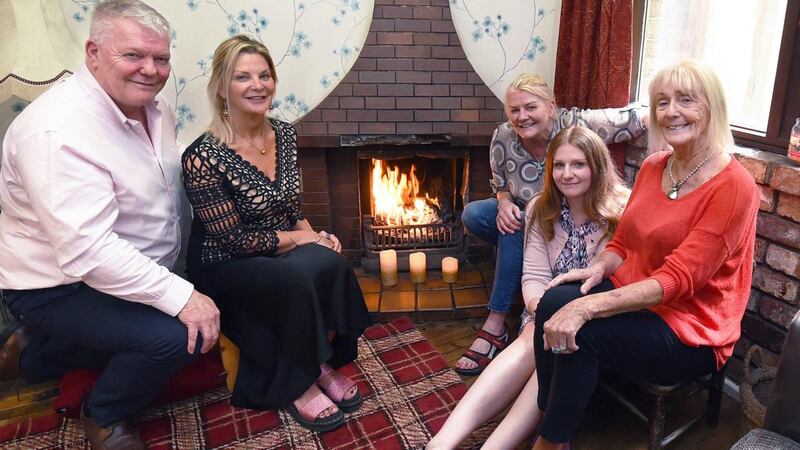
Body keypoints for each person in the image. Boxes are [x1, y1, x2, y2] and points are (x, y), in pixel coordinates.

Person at [0, 1, 220, 449]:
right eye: (134, 55)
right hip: (58, 286)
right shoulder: (57, 131)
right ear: (93, 52)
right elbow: (89, 252)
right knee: (181, 338)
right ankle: (103, 412)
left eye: (161, 58)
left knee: (208, 318)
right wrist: (183, 297)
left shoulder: (155, 109)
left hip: (117, 277)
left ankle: (40, 351)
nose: (150, 69)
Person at [530, 60, 759, 450]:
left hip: (690, 330)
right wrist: (598, 266)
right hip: (639, 295)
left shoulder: (734, 187)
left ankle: (550, 440)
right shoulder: (656, 167)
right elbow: (624, 242)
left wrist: (588, 307)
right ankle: (553, 416)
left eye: (686, 100)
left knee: (585, 326)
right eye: (662, 102)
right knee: (554, 299)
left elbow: (678, 280)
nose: (672, 112)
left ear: (713, 107)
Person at [182, 34, 371, 433]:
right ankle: (299, 381)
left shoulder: (284, 134)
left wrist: (317, 236)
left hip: (276, 246)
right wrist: (304, 241)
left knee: (332, 263)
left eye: (264, 75)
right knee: (296, 277)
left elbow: (289, 208)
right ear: (221, 87)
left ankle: (319, 361)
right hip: (224, 260)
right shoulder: (202, 156)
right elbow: (234, 240)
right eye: (242, 77)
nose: (257, 85)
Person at [427, 126, 628, 449]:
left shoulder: (622, 209)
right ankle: (441, 443)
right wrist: (539, 310)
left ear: (597, 166)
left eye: (578, 164)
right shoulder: (540, 207)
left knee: (553, 351)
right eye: (559, 165)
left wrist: (561, 320)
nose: (567, 174)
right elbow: (533, 275)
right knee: (529, 340)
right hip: (544, 309)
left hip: (597, 318)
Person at [456, 73, 648, 375]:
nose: (522, 117)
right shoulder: (503, 137)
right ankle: (512, 311)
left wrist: (669, 127)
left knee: (513, 231)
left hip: (560, 215)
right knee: (477, 215)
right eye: (514, 110)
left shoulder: (576, 126)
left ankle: (496, 322)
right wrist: (504, 202)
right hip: (527, 213)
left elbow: (631, 118)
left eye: (530, 107)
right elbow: (501, 183)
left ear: (551, 106)